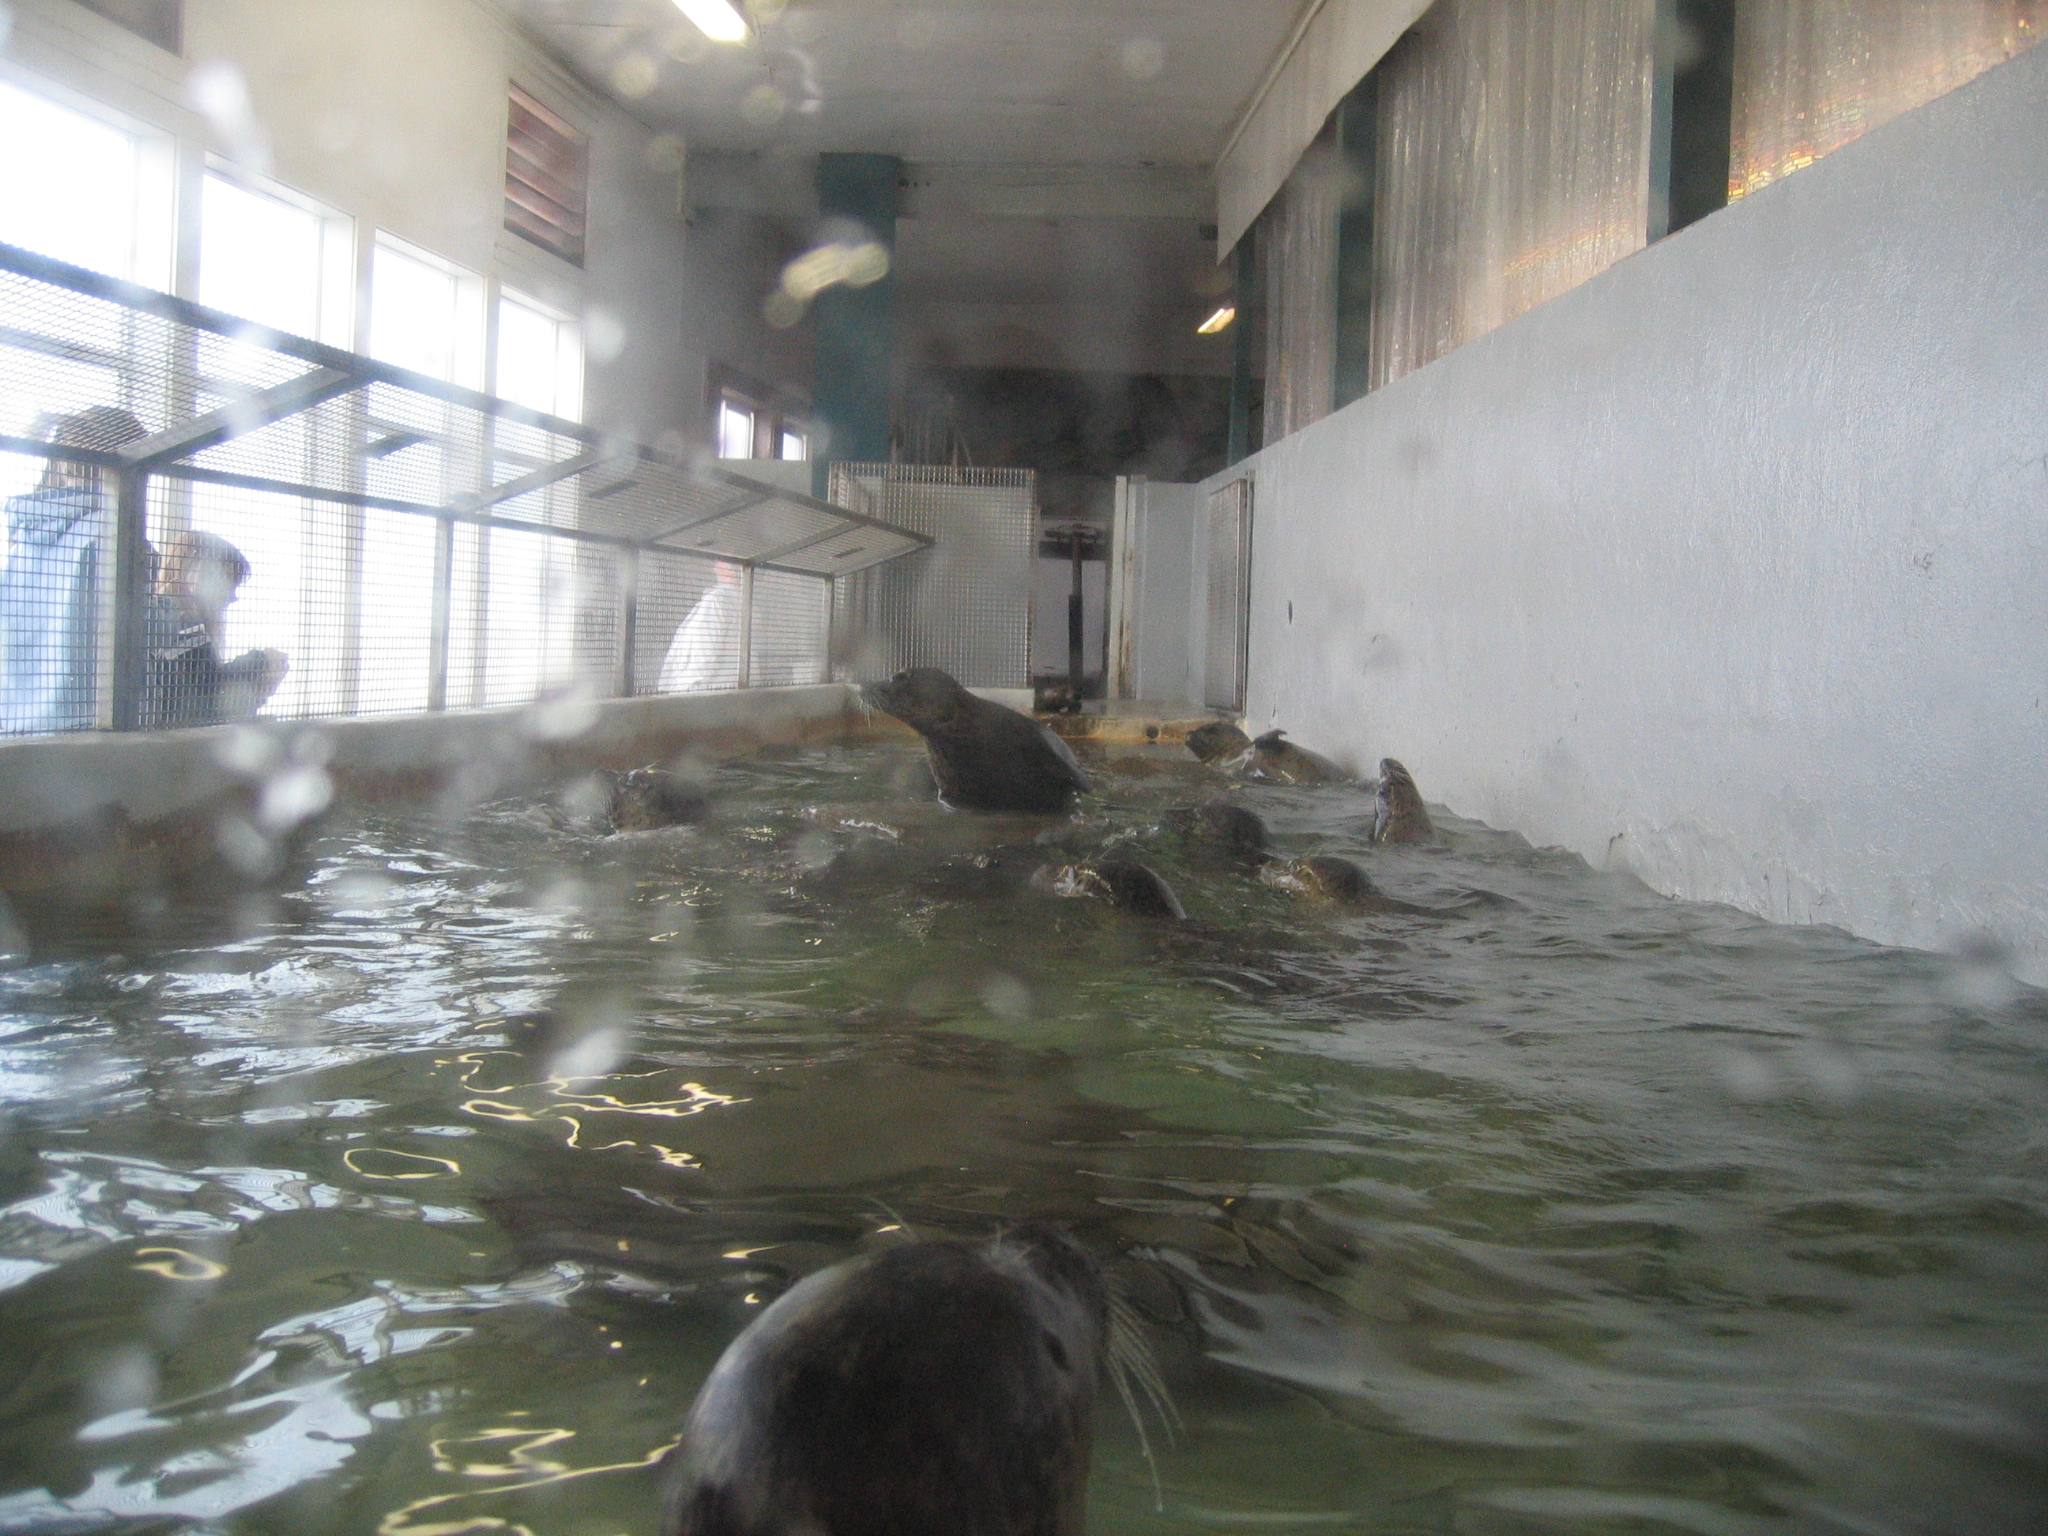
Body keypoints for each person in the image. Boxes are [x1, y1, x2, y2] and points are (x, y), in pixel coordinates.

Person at [0, 406, 146, 733]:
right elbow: (138, 636)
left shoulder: (23, 538)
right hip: (85, 724)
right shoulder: (115, 530)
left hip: (10, 723)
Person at [144, 529, 288, 727]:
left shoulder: (183, 620)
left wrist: (260, 691)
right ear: (196, 574)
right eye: (227, 581)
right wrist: (259, 662)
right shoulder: (168, 615)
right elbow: (204, 690)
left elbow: (205, 704)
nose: (232, 596)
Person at [658, 560, 742, 692]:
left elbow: (703, 660)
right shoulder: (745, 603)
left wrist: (681, 690)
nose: (715, 567)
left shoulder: (716, 600)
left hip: (707, 697)